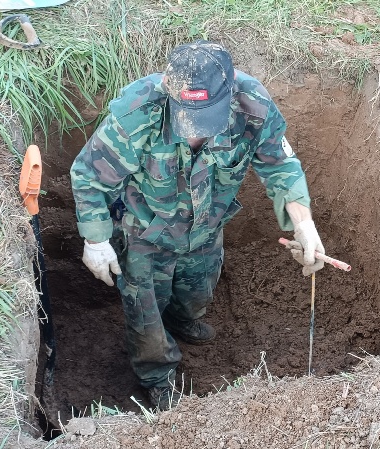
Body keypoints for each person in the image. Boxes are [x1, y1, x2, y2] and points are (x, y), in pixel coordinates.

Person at [69, 41, 326, 411]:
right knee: (146, 315)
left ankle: (183, 319)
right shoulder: (137, 114)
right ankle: (157, 374)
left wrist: (304, 225)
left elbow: (280, 165)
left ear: (231, 86)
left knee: (197, 295)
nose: (194, 130)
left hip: (206, 229)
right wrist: (95, 240)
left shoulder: (253, 105)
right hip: (146, 233)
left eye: (206, 116)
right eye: (186, 114)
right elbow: (90, 176)